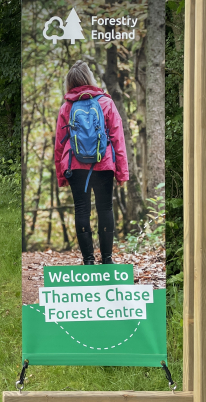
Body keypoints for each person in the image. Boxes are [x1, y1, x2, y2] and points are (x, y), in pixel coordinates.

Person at [54, 61, 129, 265]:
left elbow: (59, 145)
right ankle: (107, 260)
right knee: (105, 208)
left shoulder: (66, 107)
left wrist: (61, 175)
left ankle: (88, 260)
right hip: (103, 164)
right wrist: (122, 173)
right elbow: (118, 139)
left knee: (81, 209)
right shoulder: (106, 103)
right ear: (90, 79)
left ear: (70, 83)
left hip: (75, 165)